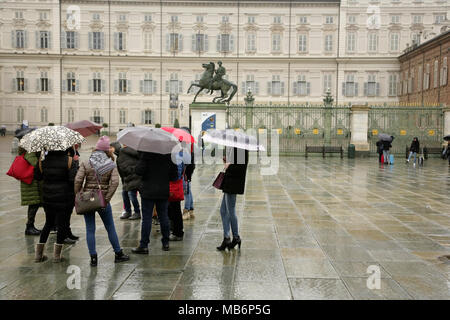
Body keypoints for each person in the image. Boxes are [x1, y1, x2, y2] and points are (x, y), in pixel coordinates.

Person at [74, 136, 129, 266]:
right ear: (106, 150)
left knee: (90, 229)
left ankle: (93, 258)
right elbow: (115, 183)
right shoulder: (110, 164)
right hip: (102, 200)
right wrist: (106, 199)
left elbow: (78, 180)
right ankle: (118, 253)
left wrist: (79, 195)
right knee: (110, 227)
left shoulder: (87, 163)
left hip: (88, 199)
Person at [132, 151, 178, 253]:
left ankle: (144, 245)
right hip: (163, 191)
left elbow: (138, 171)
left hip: (148, 191)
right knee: (164, 217)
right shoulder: (169, 154)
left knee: (147, 219)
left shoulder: (146, 153)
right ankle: (165, 243)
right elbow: (174, 176)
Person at [34, 149, 74, 263]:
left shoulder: (43, 161)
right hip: (64, 197)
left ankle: (38, 255)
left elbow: (37, 176)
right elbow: (72, 179)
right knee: (62, 224)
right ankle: (57, 256)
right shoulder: (69, 160)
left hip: (48, 196)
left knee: (48, 223)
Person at [217, 147, 249, 251]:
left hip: (233, 185)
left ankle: (236, 237)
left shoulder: (241, 149)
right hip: (229, 183)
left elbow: (240, 168)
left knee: (231, 211)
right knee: (223, 210)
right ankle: (226, 238)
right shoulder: (235, 149)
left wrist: (228, 165)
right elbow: (234, 164)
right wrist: (227, 161)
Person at [110, 141, 141, 220]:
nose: (110, 150)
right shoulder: (119, 155)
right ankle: (128, 211)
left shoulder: (124, 152)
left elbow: (128, 165)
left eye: (111, 148)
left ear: (115, 147)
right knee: (125, 194)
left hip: (133, 177)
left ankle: (137, 212)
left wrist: (130, 171)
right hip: (127, 179)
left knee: (131, 195)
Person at [18, 147, 43, 236]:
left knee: (35, 204)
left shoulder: (31, 151)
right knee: (34, 204)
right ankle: (29, 227)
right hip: (30, 182)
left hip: (32, 181)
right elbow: (36, 164)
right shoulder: (30, 152)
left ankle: (30, 226)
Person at [168, 148, 189, 241]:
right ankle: (175, 230)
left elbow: (176, 173)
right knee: (173, 209)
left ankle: (178, 232)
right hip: (176, 184)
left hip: (174, 185)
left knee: (175, 209)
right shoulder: (180, 153)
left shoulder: (177, 155)